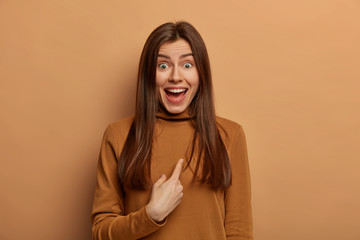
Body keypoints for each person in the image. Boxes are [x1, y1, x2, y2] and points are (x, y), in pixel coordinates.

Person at [91, 21, 253, 240]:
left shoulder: (230, 135)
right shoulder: (118, 135)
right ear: (149, 74)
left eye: (187, 65)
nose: (176, 76)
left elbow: (239, 232)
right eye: (163, 66)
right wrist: (151, 214)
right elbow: (100, 233)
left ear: (201, 73)